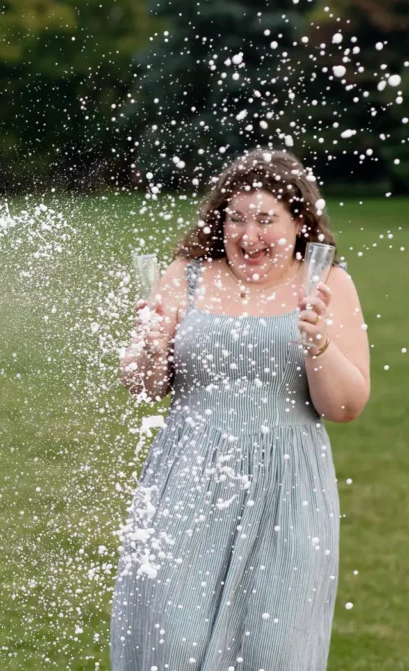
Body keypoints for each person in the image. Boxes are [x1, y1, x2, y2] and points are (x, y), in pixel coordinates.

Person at [111, 149, 371, 670]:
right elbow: (142, 386)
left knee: (273, 652)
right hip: (187, 480)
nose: (249, 237)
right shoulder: (187, 275)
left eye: (265, 219)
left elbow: (344, 406)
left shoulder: (327, 285)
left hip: (289, 486)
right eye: (235, 219)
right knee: (171, 645)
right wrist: (151, 346)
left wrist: (319, 343)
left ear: (299, 222)